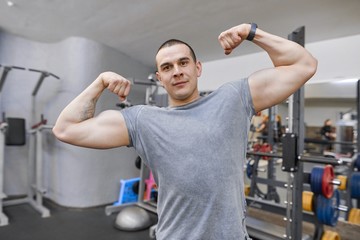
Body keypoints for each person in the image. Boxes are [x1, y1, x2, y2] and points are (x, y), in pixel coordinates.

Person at [52, 23, 317, 239]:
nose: (176, 72)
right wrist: (99, 83)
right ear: (159, 78)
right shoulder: (142, 120)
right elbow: (66, 129)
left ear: (197, 67)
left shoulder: (233, 98)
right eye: (167, 67)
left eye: (183, 63)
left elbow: (303, 65)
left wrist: (251, 31)